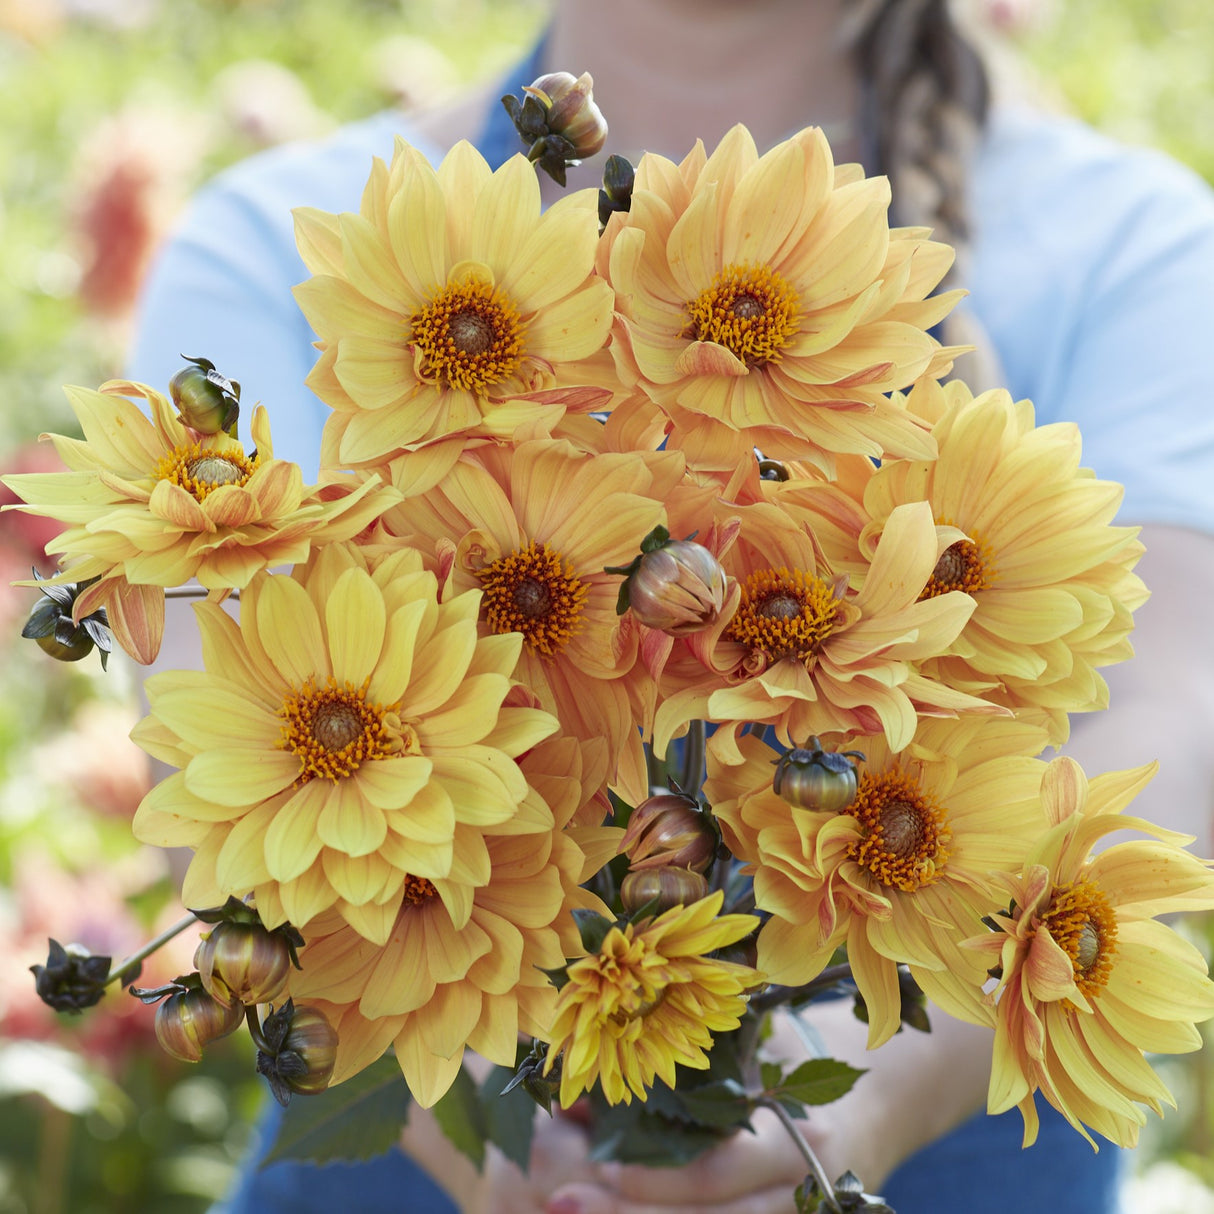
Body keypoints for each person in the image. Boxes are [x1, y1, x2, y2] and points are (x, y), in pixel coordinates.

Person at [126, 1, 1214, 1210]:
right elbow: (217, 773)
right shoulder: (283, 242)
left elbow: (1164, 725)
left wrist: (872, 1096)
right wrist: (485, 1139)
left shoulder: (1135, 245)